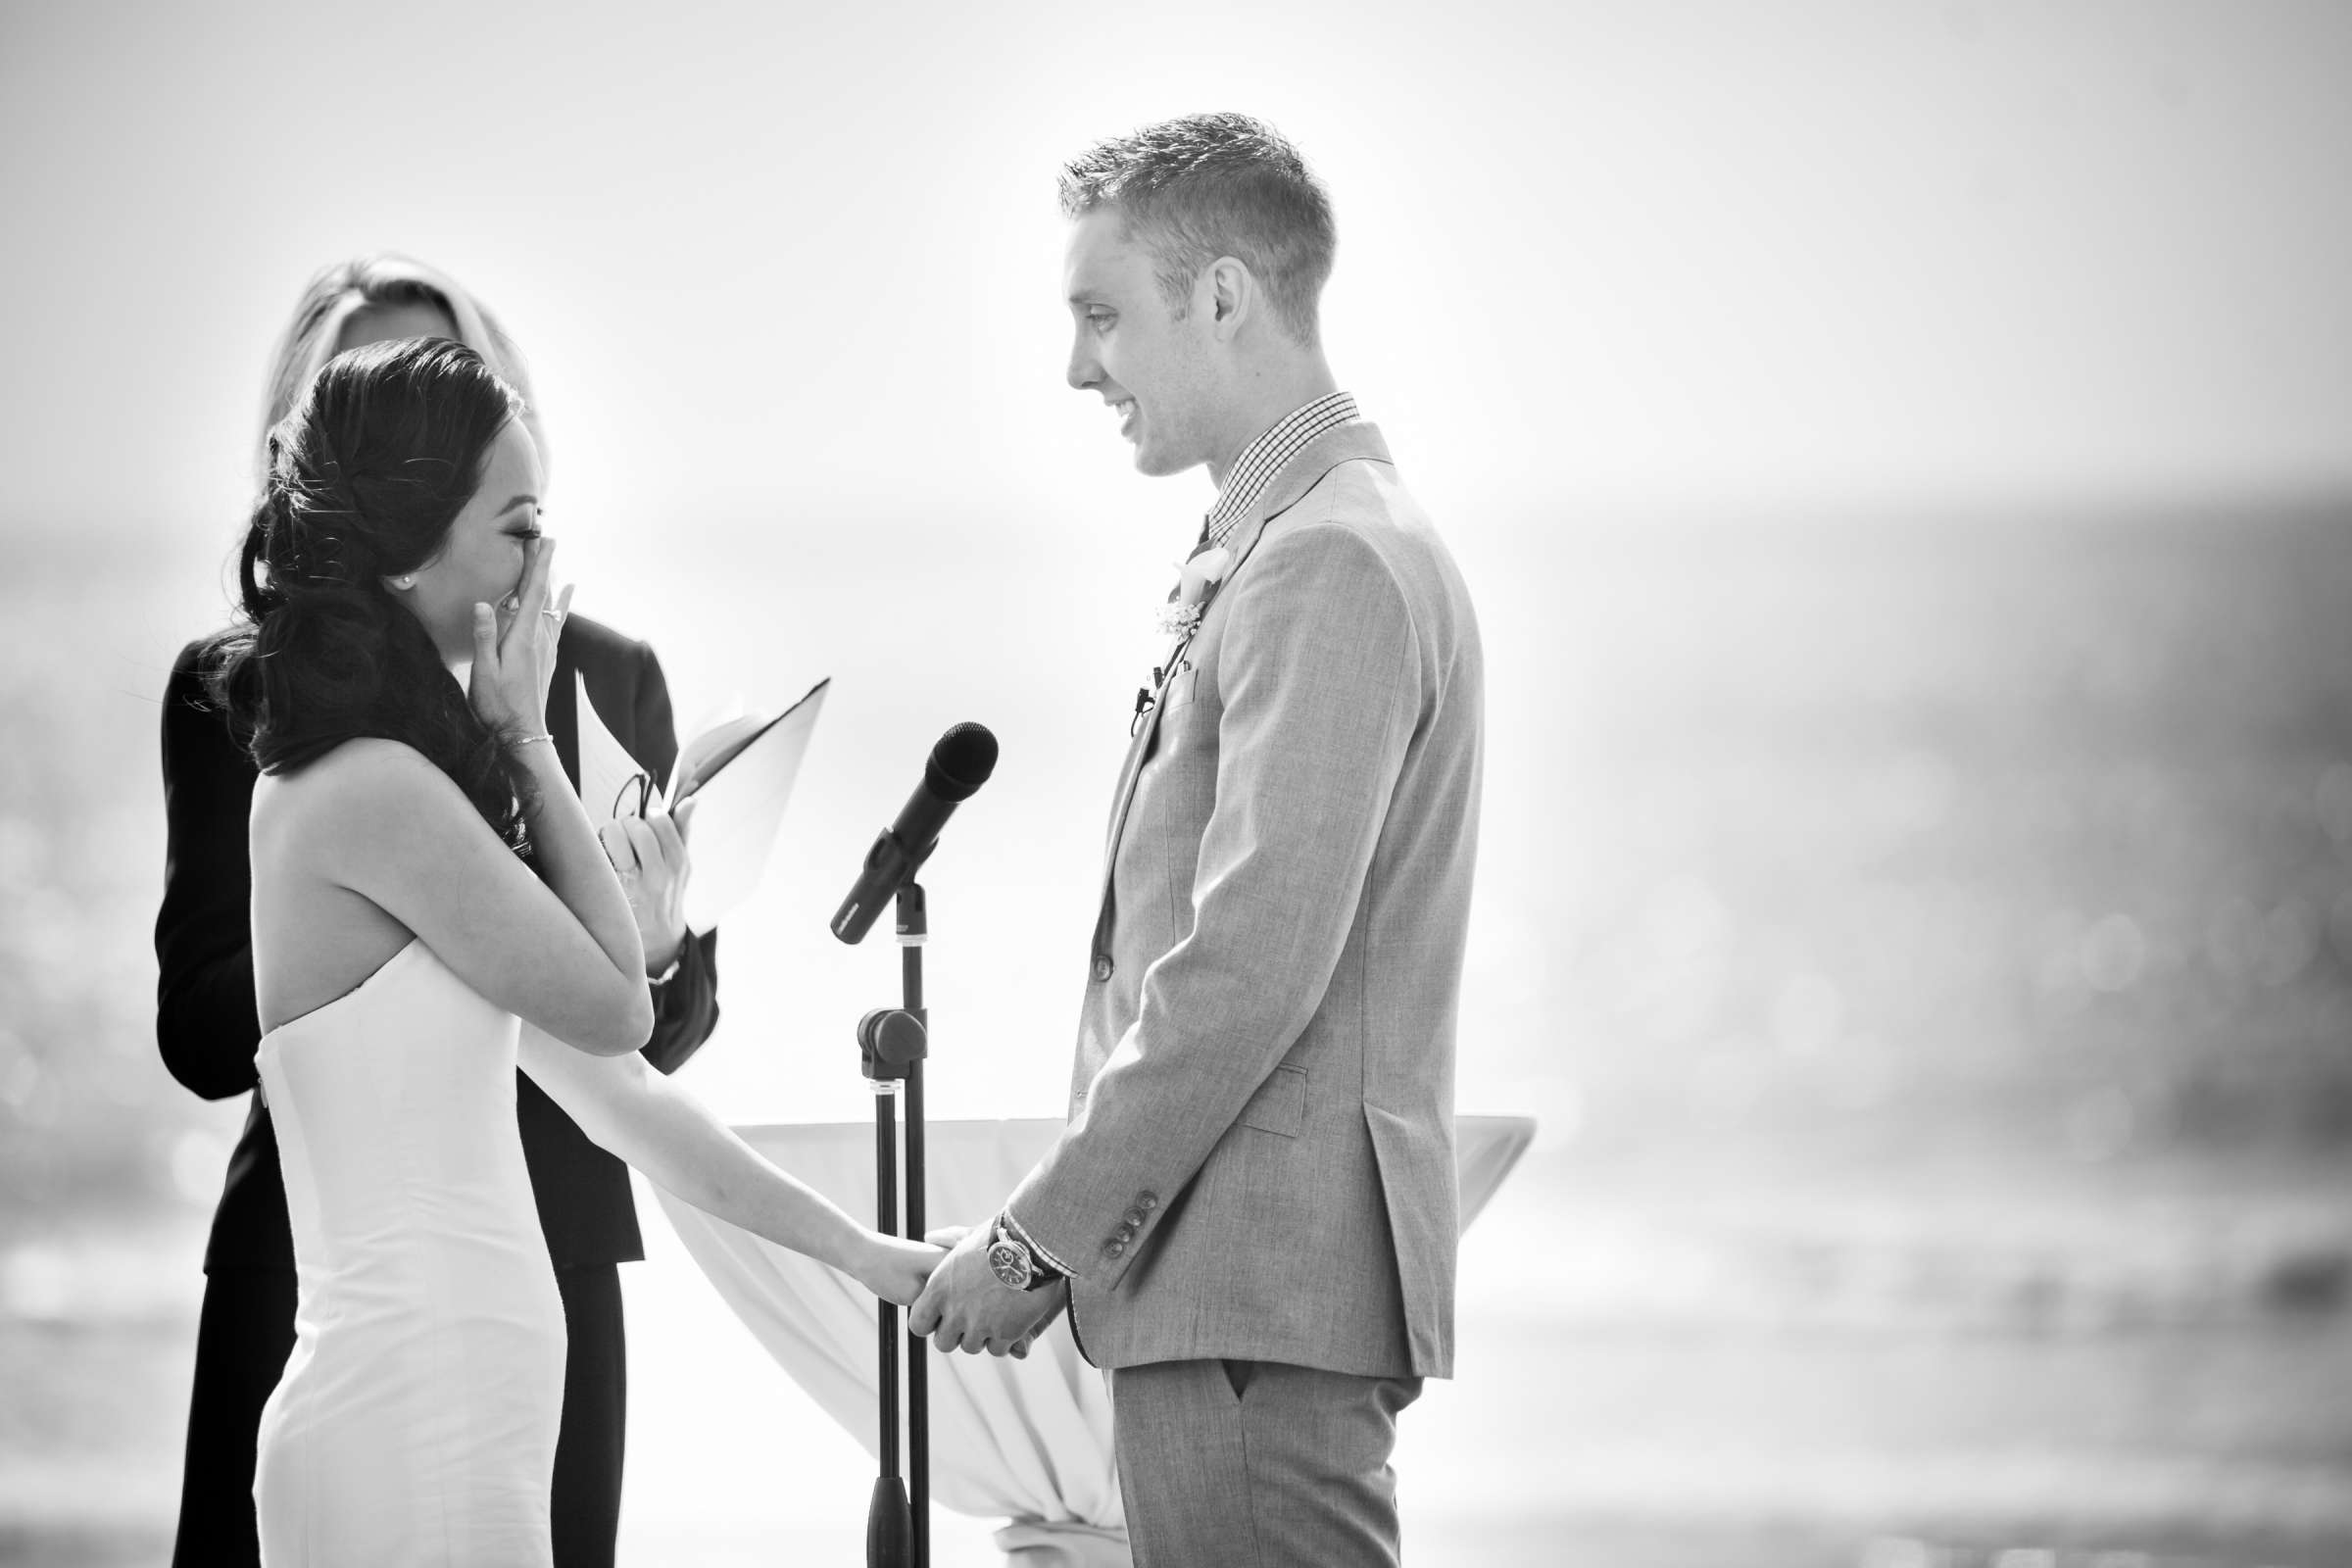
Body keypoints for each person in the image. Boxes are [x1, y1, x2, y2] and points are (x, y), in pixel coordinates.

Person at [208, 333, 940, 1563]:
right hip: (407, 1416)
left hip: (464, 1414)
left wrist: (871, 1257)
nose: (549, 564)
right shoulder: (367, 793)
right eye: (520, 525)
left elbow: (628, 1103)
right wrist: (528, 733)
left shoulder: (408, 792)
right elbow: (616, 1004)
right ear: (403, 553)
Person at [909, 114, 1485, 1567]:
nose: (1078, 365)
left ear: (1222, 296)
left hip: (1253, 1301)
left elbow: (1247, 963)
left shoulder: (1331, 560)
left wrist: (1042, 1238)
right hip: (1234, 1301)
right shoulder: (1304, 534)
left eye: (1103, 315)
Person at [157, 255, 713, 1568]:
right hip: (307, 1250)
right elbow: (195, 1032)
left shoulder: (603, 673)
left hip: (549, 1251)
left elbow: (662, 1020)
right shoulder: (239, 689)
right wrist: (391, 930)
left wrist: (654, 937)